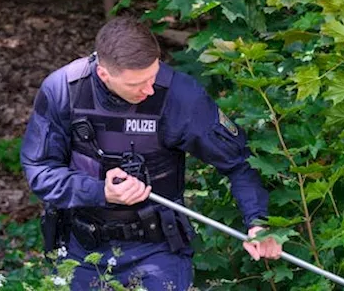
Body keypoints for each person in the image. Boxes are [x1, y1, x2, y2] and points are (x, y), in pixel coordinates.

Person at [20, 17, 283, 290]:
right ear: (104, 74)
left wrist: (258, 222)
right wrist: (101, 191)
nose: (148, 89)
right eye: (136, 85)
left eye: (153, 76)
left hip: (157, 248)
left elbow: (239, 162)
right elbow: (39, 170)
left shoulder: (181, 97)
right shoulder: (64, 90)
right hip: (82, 247)